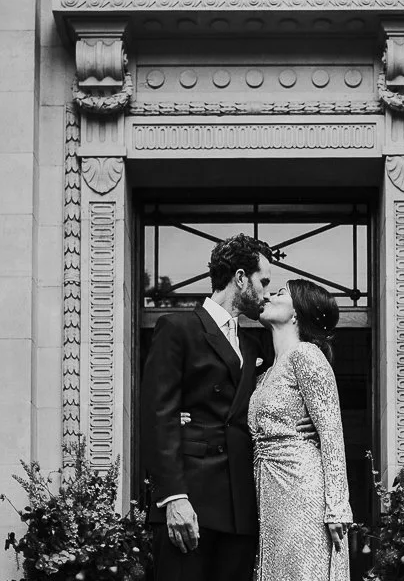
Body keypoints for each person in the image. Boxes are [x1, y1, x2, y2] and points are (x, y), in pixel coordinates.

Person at [141, 233, 275, 581]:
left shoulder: (253, 343)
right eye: (263, 281)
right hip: (191, 500)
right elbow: (159, 415)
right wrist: (172, 497)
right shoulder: (178, 327)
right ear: (241, 278)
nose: (266, 292)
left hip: (240, 508)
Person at [248, 278, 352, 581]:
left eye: (280, 293)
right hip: (268, 491)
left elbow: (332, 434)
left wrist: (337, 509)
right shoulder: (264, 373)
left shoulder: (306, 355)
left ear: (297, 313)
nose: (268, 295)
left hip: (302, 487)